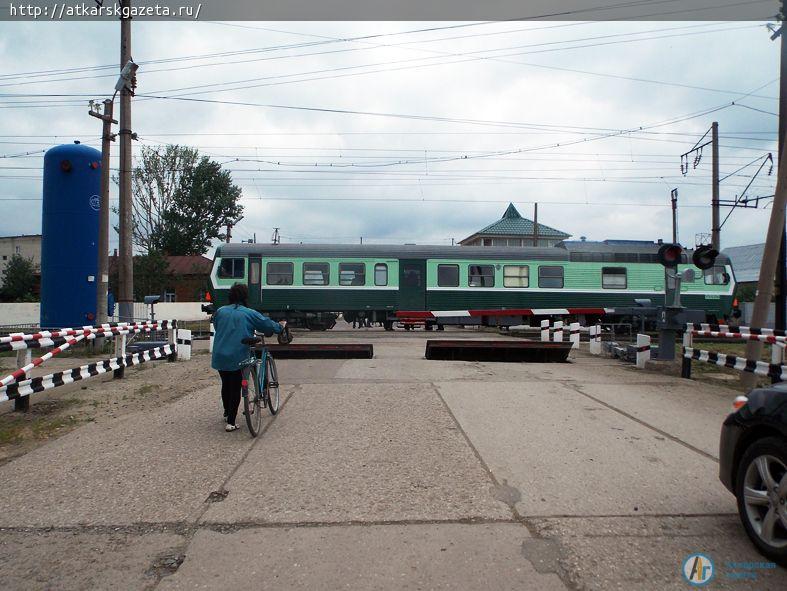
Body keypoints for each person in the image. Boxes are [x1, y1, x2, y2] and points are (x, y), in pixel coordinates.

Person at [211, 283, 285, 432]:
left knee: (226, 383)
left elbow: (218, 327)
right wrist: (280, 327)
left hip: (220, 355)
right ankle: (231, 422)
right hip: (238, 355)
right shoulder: (249, 313)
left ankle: (227, 412)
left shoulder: (220, 311)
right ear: (245, 297)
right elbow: (267, 325)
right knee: (236, 387)